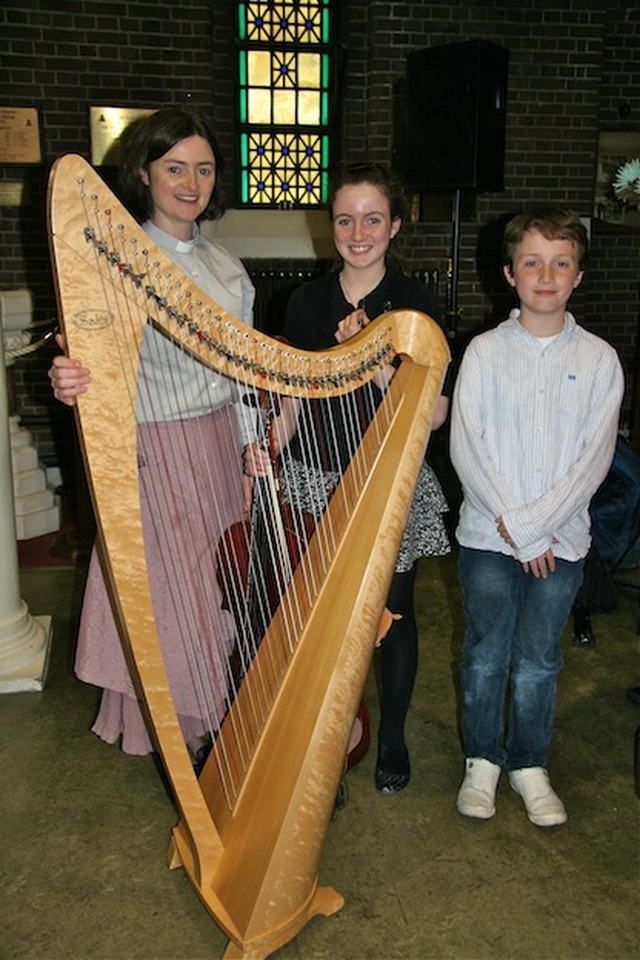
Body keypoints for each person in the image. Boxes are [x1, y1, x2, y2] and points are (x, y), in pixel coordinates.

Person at [49, 106, 257, 766]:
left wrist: (254, 448)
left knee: (218, 589)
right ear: (144, 173)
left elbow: (246, 377)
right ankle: (181, 727)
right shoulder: (114, 262)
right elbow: (94, 368)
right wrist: (71, 379)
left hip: (222, 447)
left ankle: (214, 712)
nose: (190, 182)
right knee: (173, 597)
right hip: (154, 453)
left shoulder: (228, 270)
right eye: (175, 168)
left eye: (203, 168)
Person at [246, 161, 451, 795]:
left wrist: (382, 364)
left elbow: (436, 411)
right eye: (344, 219)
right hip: (315, 474)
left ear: (393, 225)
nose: (357, 232)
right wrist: (269, 447)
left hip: (389, 483)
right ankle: (323, 739)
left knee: (395, 611)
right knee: (317, 618)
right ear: (328, 226)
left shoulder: (418, 303)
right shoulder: (305, 302)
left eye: (371, 219)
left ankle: (391, 736)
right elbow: (295, 397)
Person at [450, 205, 624, 826]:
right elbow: (468, 448)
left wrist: (538, 528)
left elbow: (591, 462)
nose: (545, 275)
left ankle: (528, 764)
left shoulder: (601, 360)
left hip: (563, 542)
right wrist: (519, 531)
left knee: (538, 660)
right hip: (488, 540)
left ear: (578, 276)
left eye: (561, 263)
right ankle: (482, 761)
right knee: (485, 655)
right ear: (509, 273)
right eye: (532, 262)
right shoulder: (484, 352)